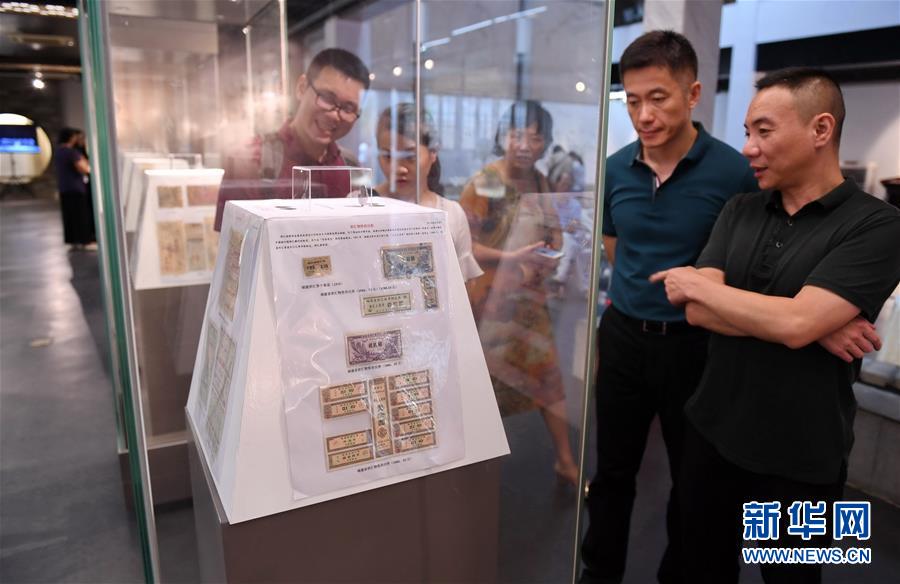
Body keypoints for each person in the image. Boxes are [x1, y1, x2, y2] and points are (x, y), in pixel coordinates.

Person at [652, 67, 900, 584]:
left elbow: (790, 322)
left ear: (821, 129)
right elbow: (698, 313)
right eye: (747, 132)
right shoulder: (740, 208)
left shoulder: (878, 224)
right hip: (712, 432)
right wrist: (808, 322)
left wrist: (699, 283)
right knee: (695, 568)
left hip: (802, 457)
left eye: (763, 131)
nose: (748, 148)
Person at [580, 31, 758, 584]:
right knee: (612, 472)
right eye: (633, 101)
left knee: (695, 480)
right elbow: (616, 245)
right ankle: (599, 572)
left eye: (658, 98)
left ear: (693, 93)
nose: (644, 115)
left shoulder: (733, 172)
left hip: (697, 346)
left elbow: (745, 263)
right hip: (624, 337)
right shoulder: (616, 167)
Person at [459, 100, 580, 486]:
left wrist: (551, 255)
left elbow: (554, 232)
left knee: (549, 380)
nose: (524, 145)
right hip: (489, 304)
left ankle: (565, 460)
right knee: (482, 388)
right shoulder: (485, 182)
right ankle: (474, 472)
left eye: (534, 137)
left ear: (545, 143)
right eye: (516, 135)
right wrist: (510, 257)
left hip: (529, 302)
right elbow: (463, 245)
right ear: (503, 136)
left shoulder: (542, 183)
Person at [214, 48, 370, 230]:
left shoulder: (350, 166)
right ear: (302, 87)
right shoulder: (250, 160)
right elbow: (232, 243)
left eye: (348, 108)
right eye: (327, 97)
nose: (335, 116)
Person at [374, 103, 482, 282]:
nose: (398, 168)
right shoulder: (357, 204)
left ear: (433, 153)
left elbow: (461, 288)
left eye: (410, 157)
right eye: (388, 156)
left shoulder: (451, 213)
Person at [54, 128, 95, 250]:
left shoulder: (59, 151)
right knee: (80, 215)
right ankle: (85, 241)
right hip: (76, 187)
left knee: (69, 216)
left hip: (64, 187)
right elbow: (83, 168)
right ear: (71, 138)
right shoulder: (71, 152)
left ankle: (73, 240)